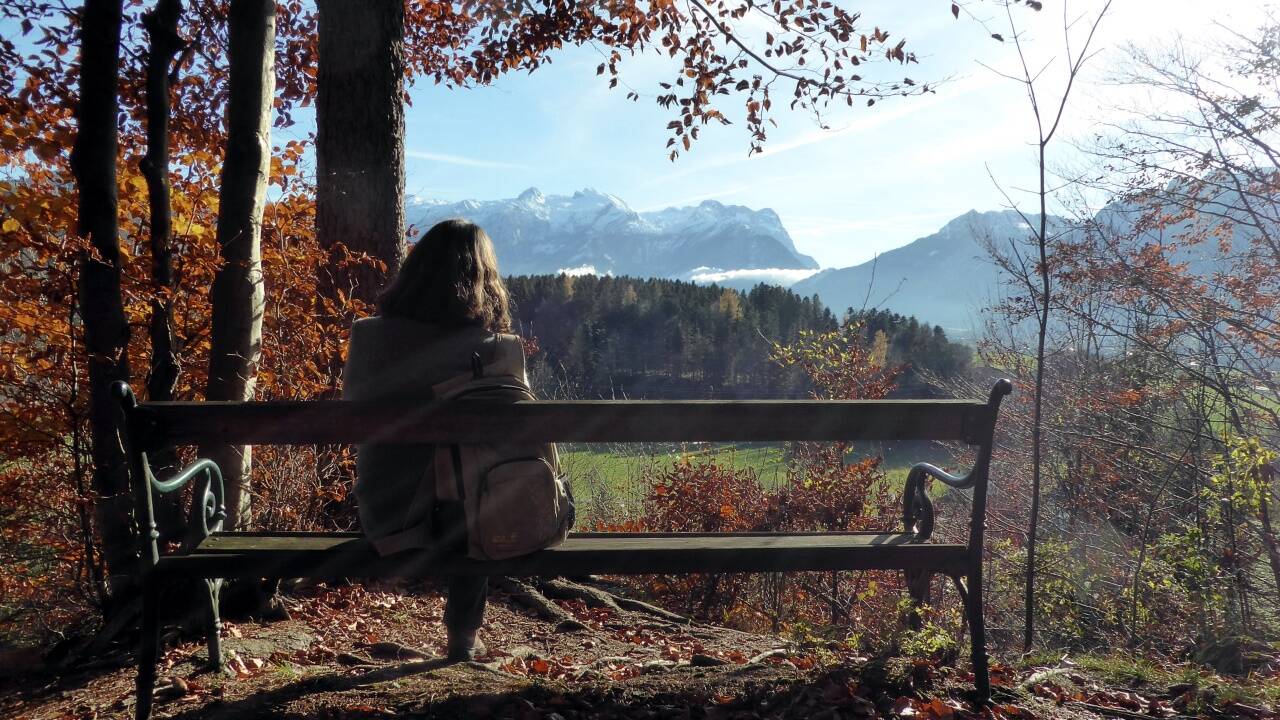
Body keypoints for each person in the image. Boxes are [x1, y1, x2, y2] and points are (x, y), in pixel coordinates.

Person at [342, 218, 517, 662]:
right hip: (466, 522)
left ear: (415, 269)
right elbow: (514, 432)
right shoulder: (495, 345)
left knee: (463, 492)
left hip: (386, 512)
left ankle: (463, 639)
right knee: (477, 494)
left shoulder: (367, 336)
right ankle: (463, 639)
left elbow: (352, 407)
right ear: (485, 278)